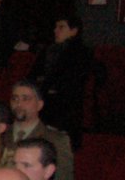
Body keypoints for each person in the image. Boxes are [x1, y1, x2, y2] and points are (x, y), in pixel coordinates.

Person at [32, 15, 92, 149]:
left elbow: (72, 80)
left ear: (74, 31)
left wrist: (47, 85)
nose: (56, 31)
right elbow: (33, 74)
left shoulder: (81, 52)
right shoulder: (49, 50)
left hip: (66, 101)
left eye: (61, 27)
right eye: (55, 27)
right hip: (44, 95)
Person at [8, 81, 75, 180]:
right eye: (15, 99)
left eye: (26, 99)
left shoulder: (56, 140)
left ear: (39, 105)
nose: (19, 104)